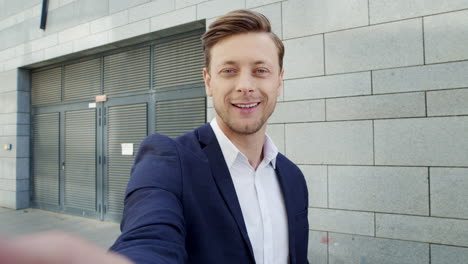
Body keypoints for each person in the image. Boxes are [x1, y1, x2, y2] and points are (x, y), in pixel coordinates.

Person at [0, 9, 308, 264]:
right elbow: (149, 237)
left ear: (279, 80)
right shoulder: (168, 161)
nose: (245, 85)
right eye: (229, 70)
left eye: (260, 70)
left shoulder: (293, 178)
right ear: (208, 81)